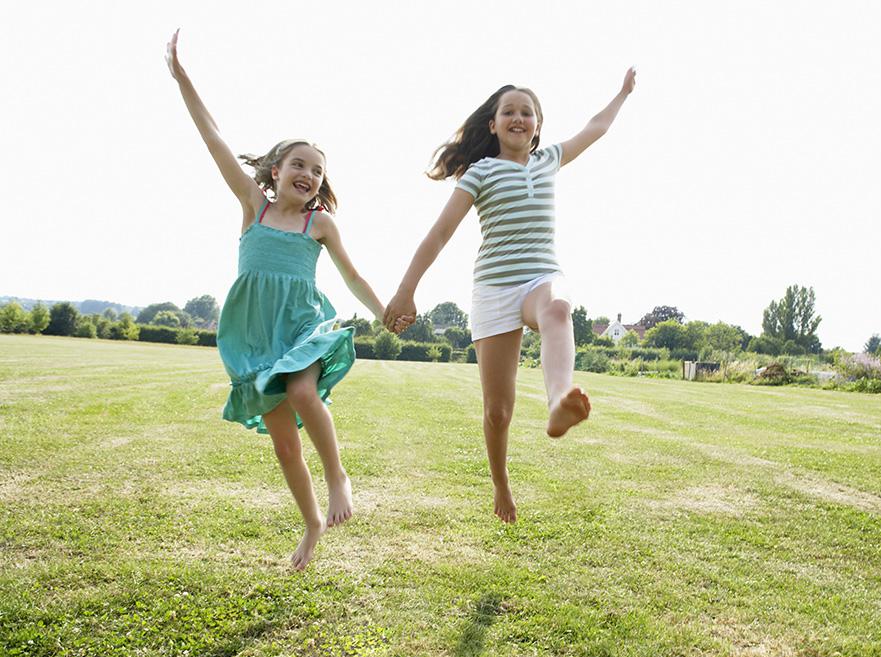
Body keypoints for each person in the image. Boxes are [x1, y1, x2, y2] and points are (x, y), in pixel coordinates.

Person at [166, 31, 409, 569]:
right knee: (282, 446)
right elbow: (213, 139)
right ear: (276, 171)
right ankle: (311, 523)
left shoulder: (317, 223)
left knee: (303, 390)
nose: (309, 174)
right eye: (299, 164)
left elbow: (352, 276)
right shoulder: (252, 207)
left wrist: (384, 312)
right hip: (257, 337)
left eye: (317, 170)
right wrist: (184, 79)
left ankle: (338, 475)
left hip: (302, 327)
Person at [384, 68, 637, 523]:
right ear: (494, 125)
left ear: (538, 125)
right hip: (495, 289)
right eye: (509, 112)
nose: (518, 117)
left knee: (559, 308)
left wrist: (621, 93)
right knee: (498, 411)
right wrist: (406, 291)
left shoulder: (550, 159)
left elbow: (596, 127)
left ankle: (560, 399)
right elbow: (440, 233)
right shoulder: (479, 172)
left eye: (527, 112)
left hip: (540, 277)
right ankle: (500, 482)